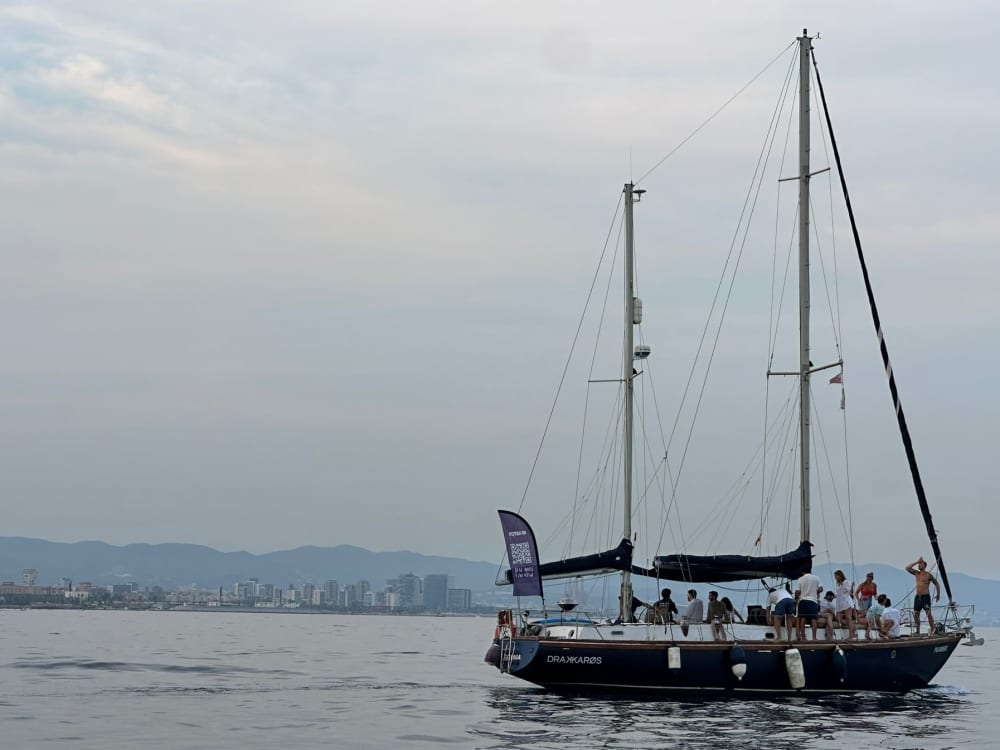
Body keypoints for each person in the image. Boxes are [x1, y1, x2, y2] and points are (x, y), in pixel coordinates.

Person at [906, 556, 941, 634]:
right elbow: (907, 568)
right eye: (919, 564)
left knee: (928, 614)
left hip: (925, 597)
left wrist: (938, 594)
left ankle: (933, 629)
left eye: (920, 564)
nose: (919, 565)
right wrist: (917, 561)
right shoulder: (916, 573)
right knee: (916, 614)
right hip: (918, 597)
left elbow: (936, 583)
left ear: (924, 566)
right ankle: (917, 631)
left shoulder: (928, 575)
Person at [795, 570, 823, 641]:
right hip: (813, 601)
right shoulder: (816, 578)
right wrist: (815, 592)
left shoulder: (800, 579)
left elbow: (797, 591)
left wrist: (796, 598)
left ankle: (803, 637)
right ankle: (814, 638)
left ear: (803, 572)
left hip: (803, 601)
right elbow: (821, 589)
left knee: (803, 619)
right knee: (813, 619)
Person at [832, 570, 856, 639]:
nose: (835, 578)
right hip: (840, 603)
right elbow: (840, 592)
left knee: (848, 618)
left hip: (846, 602)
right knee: (837, 618)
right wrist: (835, 596)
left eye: (836, 576)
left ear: (840, 576)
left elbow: (850, 592)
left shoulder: (846, 582)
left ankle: (851, 635)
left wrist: (852, 586)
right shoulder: (838, 584)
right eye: (835, 577)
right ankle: (852, 627)